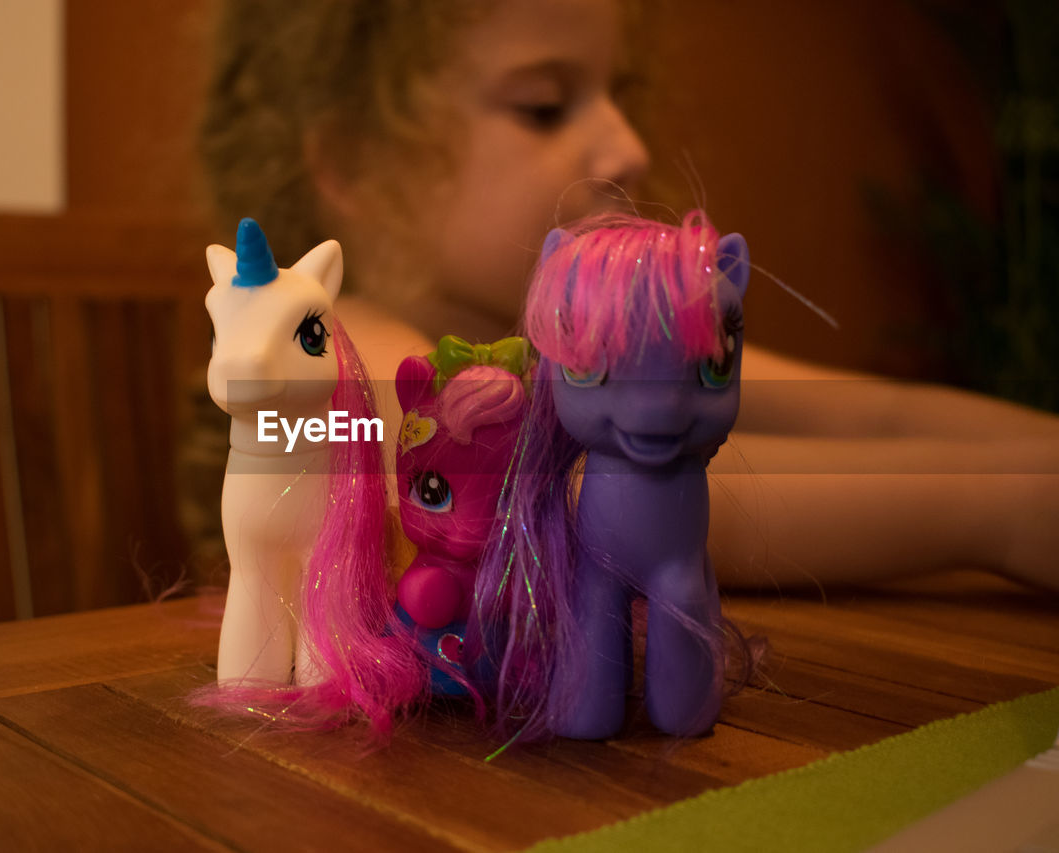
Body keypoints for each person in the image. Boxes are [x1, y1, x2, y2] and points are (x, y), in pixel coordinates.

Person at [185, 0, 1059, 593]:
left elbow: (872, 417)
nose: (629, 145)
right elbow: (567, 501)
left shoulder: (580, 342)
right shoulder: (350, 346)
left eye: (617, 94)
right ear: (354, 162)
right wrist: (996, 507)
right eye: (544, 105)